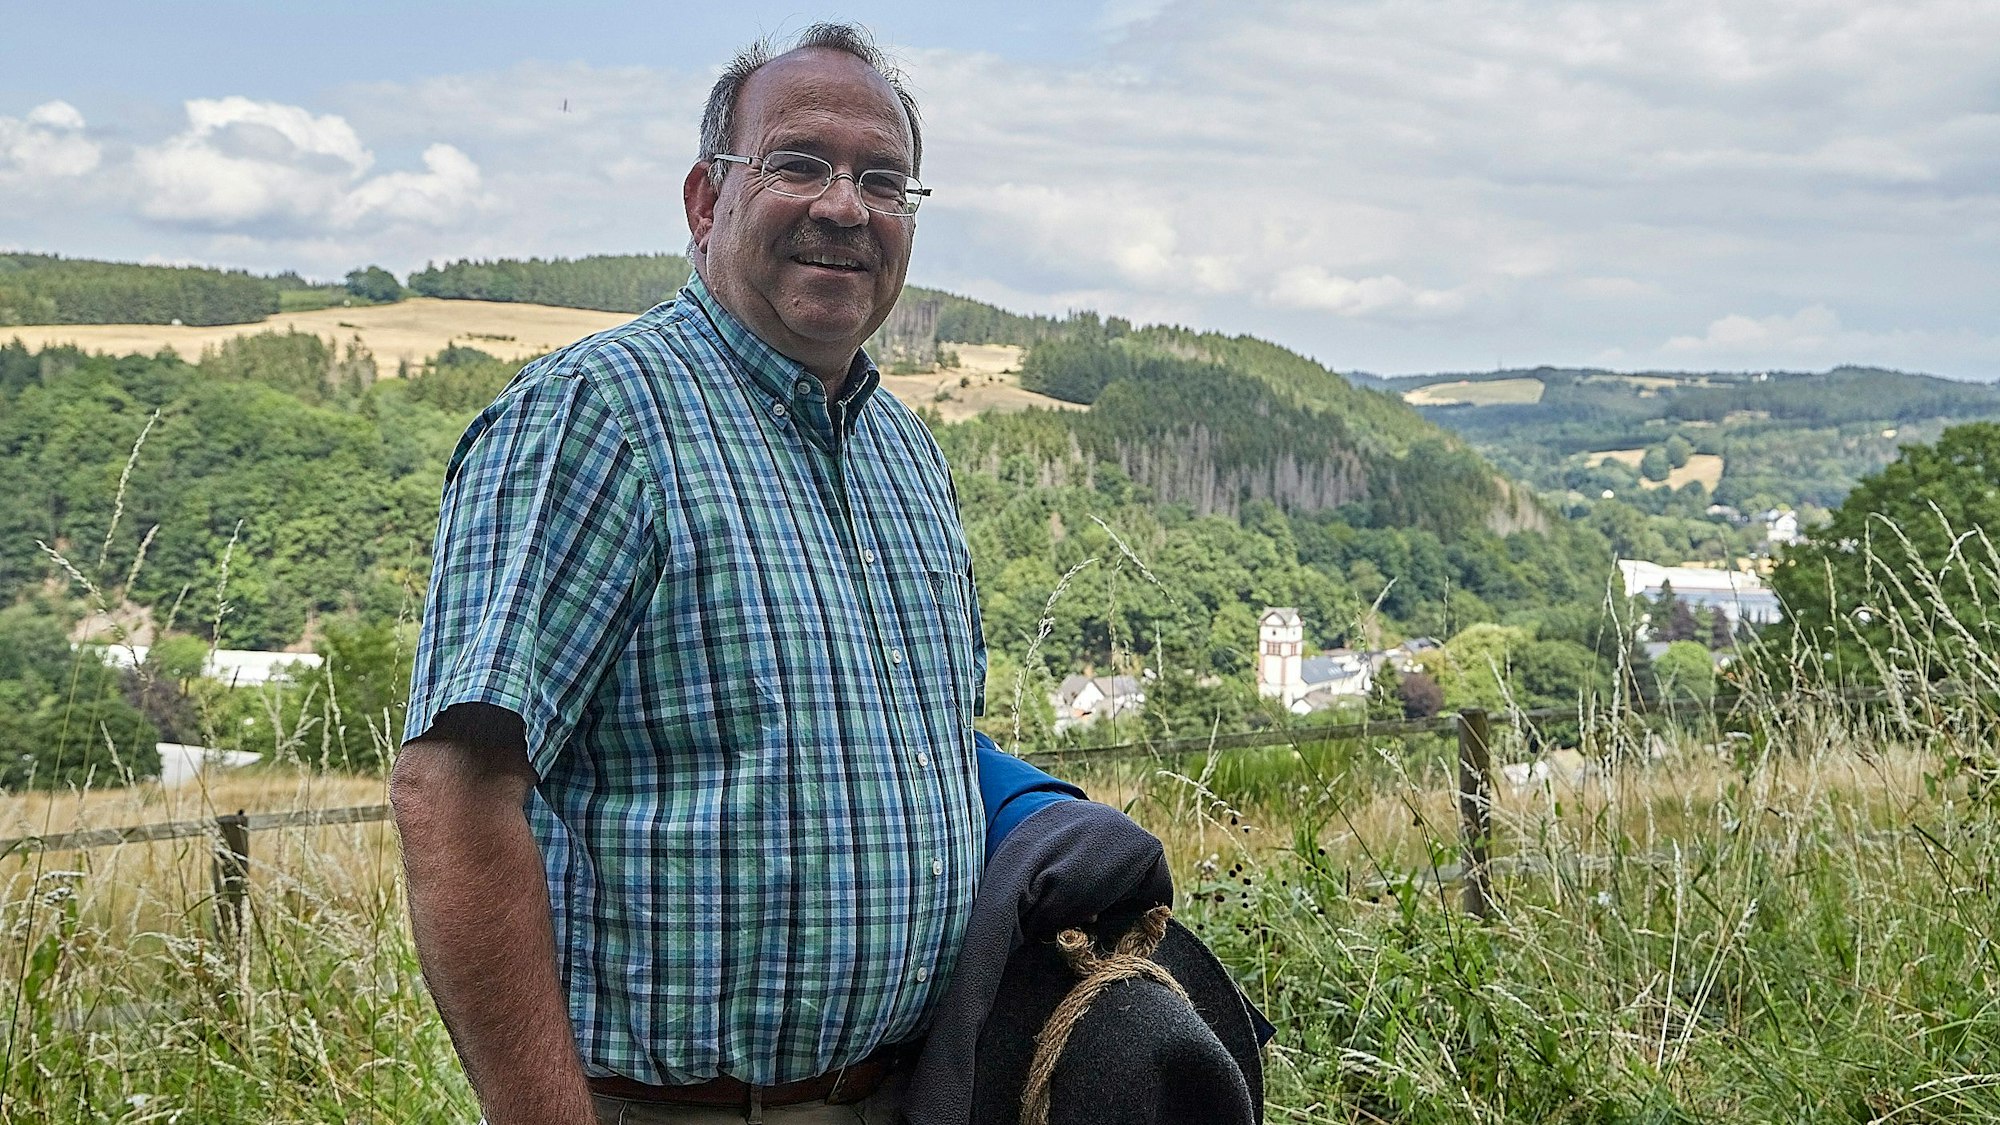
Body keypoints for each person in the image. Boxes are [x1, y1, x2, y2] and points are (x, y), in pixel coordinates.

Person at [392, 24, 998, 1125]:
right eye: (799, 163)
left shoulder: (905, 452)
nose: (844, 207)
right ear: (704, 200)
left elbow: (931, 750)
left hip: (904, 1096)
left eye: (882, 180)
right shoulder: (595, 419)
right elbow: (455, 794)